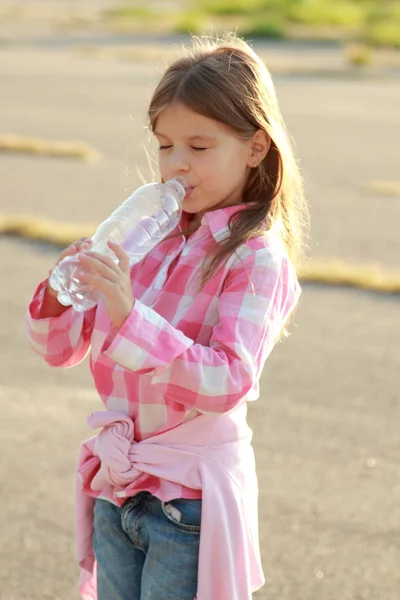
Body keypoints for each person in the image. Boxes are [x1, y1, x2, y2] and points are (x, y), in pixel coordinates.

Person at [26, 33, 308, 600]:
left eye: (199, 148)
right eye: (164, 146)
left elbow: (228, 380)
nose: (176, 165)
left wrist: (131, 318)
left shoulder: (256, 258)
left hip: (188, 503)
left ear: (256, 146)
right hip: (119, 486)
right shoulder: (146, 240)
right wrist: (63, 294)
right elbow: (62, 350)